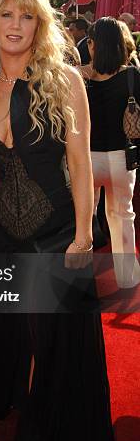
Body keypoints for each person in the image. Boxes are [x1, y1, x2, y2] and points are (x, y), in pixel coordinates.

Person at [0, 0, 116, 441]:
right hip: (3, 229)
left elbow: (82, 160)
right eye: (7, 14)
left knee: (50, 331)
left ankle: (39, 421)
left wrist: (86, 234)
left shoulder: (65, 80)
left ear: (40, 24)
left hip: (55, 228)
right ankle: (3, 396)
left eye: (27, 16)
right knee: (11, 325)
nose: (15, 24)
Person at [86, 17, 140, 289]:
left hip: (87, 159)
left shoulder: (81, 77)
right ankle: (127, 277)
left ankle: (81, 274)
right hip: (122, 157)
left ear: (94, 45)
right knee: (122, 216)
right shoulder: (132, 75)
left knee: (83, 215)